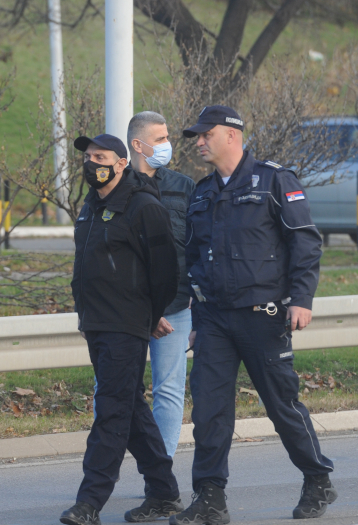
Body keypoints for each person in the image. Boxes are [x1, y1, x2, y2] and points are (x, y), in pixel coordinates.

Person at [171, 105, 335, 525]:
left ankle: (317, 479)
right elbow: (192, 256)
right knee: (208, 411)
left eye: (206, 134)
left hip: (263, 316)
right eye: (197, 137)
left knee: (281, 406)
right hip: (214, 320)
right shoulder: (203, 192)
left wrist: (302, 299)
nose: (200, 142)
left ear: (231, 135)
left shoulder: (274, 180)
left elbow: (305, 243)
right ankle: (210, 498)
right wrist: (193, 302)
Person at [63, 133, 183, 525]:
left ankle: (89, 502)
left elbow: (165, 270)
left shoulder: (143, 206)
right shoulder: (90, 207)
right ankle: (164, 493)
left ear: (121, 163)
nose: (91, 162)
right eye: (88, 156)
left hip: (126, 325)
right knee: (130, 408)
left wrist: (151, 315)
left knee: (111, 411)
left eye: (101, 156)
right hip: (96, 323)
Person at [127, 111, 196, 458]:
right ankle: (110, 464)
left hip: (177, 307)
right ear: (138, 145)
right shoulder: (116, 187)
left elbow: (196, 247)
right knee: (116, 391)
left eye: (168, 137)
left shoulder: (184, 187)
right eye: (161, 139)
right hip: (130, 312)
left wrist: (198, 302)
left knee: (169, 391)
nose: (168, 145)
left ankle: (161, 468)